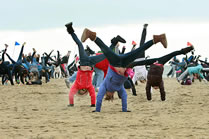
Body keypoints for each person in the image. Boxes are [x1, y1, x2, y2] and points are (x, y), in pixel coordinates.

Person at [81, 27, 167, 112]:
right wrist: (124, 109)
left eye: (108, 95)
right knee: (139, 51)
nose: (109, 94)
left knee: (106, 50)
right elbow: (124, 96)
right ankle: (158, 38)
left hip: (115, 63)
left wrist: (97, 110)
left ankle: (90, 34)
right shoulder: (118, 88)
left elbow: (99, 96)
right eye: (110, 95)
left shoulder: (105, 85)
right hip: (125, 63)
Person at [128, 46, 194, 101]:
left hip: (158, 62)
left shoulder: (157, 83)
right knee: (141, 62)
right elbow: (149, 90)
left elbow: (159, 91)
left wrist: (150, 99)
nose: (157, 88)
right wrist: (160, 99)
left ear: (155, 87)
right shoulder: (152, 82)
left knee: (172, 54)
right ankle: (128, 65)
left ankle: (187, 49)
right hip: (156, 62)